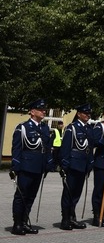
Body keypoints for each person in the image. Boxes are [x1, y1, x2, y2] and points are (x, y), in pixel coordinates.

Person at [10, 99, 54, 235]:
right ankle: (17, 224)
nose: (43, 112)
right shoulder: (23, 127)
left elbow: (47, 148)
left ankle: (24, 221)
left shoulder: (45, 128)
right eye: (40, 109)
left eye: (44, 110)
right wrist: (15, 166)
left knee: (31, 196)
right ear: (32, 112)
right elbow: (17, 148)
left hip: (39, 167)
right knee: (21, 195)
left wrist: (49, 163)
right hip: (26, 166)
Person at [58, 103, 93, 230]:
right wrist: (64, 165)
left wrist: (90, 163)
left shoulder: (89, 128)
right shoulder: (72, 128)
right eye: (85, 113)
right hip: (73, 165)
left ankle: (72, 217)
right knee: (68, 193)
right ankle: (65, 219)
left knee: (77, 193)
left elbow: (90, 148)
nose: (88, 115)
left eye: (89, 113)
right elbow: (65, 148)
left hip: (83, 166)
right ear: (79, 114)